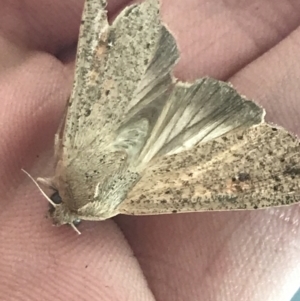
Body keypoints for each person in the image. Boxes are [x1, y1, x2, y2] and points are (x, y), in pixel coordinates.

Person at [1, 0, 299, 300]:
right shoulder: (69, 155)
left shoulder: (99, 185)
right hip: (123, 123)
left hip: (147, 131)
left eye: (58, 200)